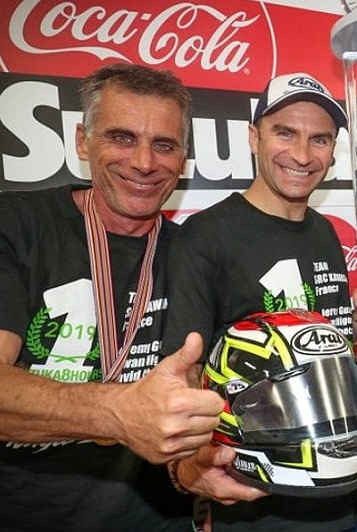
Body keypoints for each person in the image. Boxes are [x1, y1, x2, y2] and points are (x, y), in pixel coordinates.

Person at [160, 72, 357, 531]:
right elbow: (184, 376)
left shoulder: (325, 231)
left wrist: (356, 324)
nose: (303, 155)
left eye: (319, 139)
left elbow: (312, 351)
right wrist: (192, 471)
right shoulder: (205, 236)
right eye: (285, 133)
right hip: (257, 506)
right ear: (254, 137)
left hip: (342, 493)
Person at [0, 63, 228, 531]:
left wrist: (193, 474)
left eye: (164, 145)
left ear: (183, 156)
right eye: (122, 138)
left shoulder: (195, 252)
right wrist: (119, 412)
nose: (144, 162)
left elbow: (188, 404)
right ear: (83, 141)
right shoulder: (17, 225)